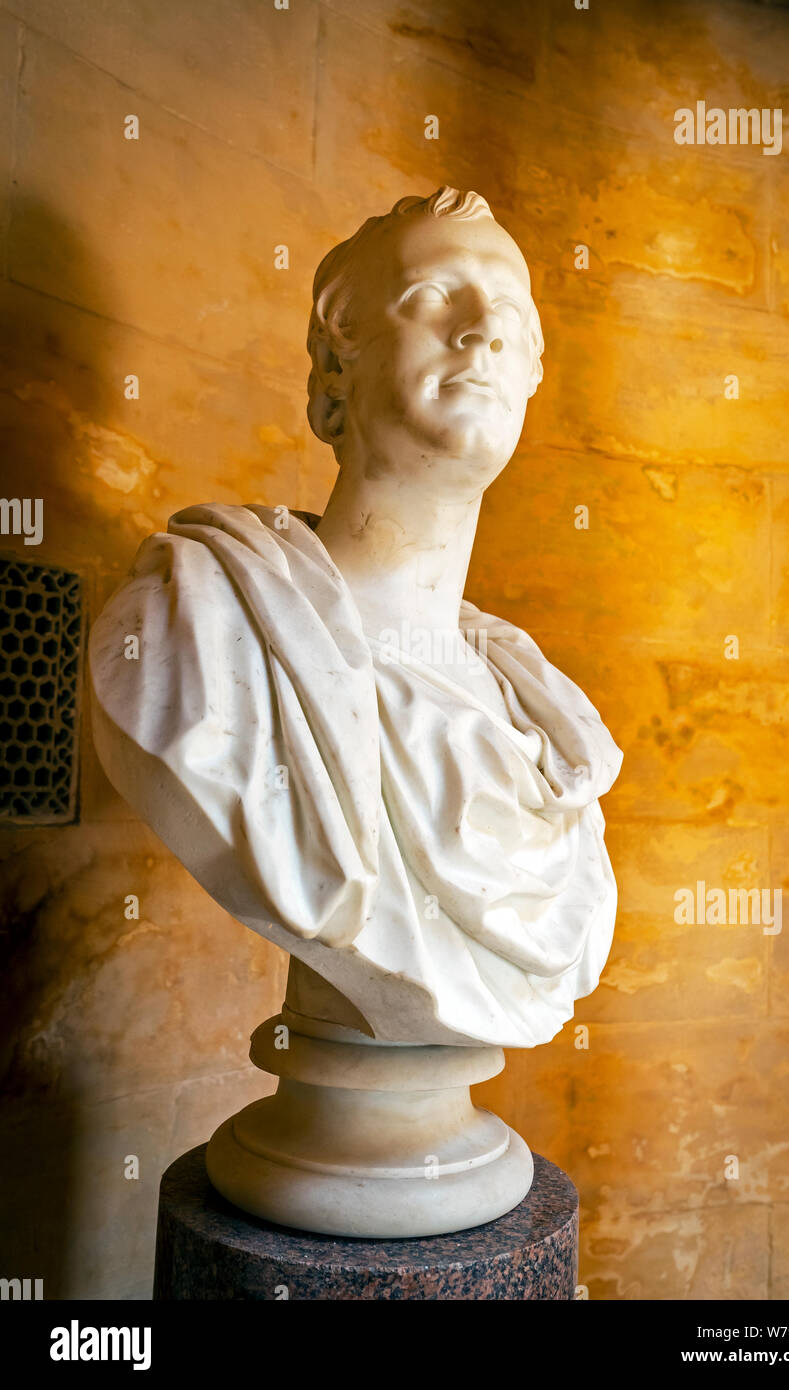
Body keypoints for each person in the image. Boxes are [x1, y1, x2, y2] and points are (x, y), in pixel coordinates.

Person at [89, 186, 622, 1049]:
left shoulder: (538, 714)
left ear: (531, 380)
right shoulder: (191, 630)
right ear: (336, 370)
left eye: (513, 317)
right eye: (434, 298)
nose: (484, 329)